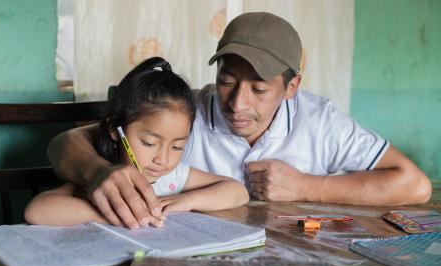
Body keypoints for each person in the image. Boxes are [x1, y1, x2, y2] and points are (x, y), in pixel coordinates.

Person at [46, 12, 432, 228]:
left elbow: (415, 186)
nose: (237, 104)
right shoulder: (183, 114)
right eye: (226, 81)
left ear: (292, 86)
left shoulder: (322, 122)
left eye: (259, 90)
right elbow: (67, 143)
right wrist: (97, 171)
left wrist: (307, 186)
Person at [25, 57, 249, 228]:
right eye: (149, 143)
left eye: (177, 146)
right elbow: (37, 211)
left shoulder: (172, 178)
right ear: (115, 129)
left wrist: (188, 200)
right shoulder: (106, 175)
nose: (162, 159)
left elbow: (238, 191)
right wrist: (116, 213)